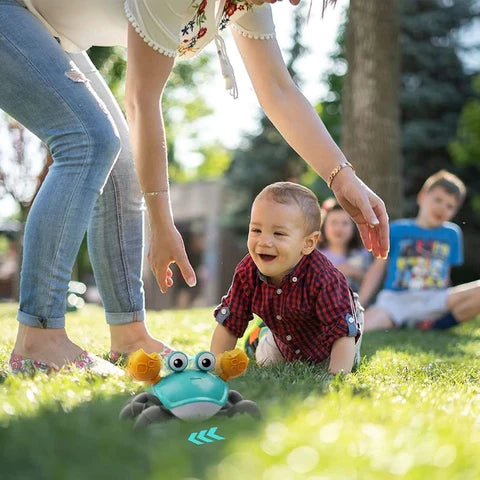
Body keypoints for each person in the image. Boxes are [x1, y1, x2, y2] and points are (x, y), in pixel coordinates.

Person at [2, 0, 387, 375]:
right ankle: (39, 339)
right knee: (90, 139)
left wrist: (342, 178)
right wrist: (160, 222)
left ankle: (129, 335)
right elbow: (141, 100)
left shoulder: (247, 4)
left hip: (46, 28)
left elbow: (278, 91)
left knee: (119, 161)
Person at [210, 182, 364, 375]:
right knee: (267, 361)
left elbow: (342, 332)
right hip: (285, 338)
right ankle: (259, 337)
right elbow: (230, 322)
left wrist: (337, 377)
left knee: (339, 364)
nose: (264, 242)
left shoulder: (325, 277)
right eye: (256, 230)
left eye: (279, 234)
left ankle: (262, 334)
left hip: (333, 338)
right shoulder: (247, 272)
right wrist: (216, 368)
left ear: (308, 244)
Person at [360, 170, 480, 332]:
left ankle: (434, 326)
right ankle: (408, 322)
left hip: (434, 298)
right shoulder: (396, 229)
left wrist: (449, 301)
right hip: (396, 300)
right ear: (422, 197)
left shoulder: (452, 234)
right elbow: (377, 269)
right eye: (438, 200)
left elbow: (446, 275)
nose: (442, 208)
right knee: (361, 327)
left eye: (450, 206)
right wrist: (360, 303)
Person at [318, 198, 372, 292]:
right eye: (333, 223)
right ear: (323, 227)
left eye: (345, 223)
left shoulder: (363, 254)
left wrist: (354, 272)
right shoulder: (316, 255)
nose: (339, 228)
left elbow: (372, 281)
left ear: (354, 228)